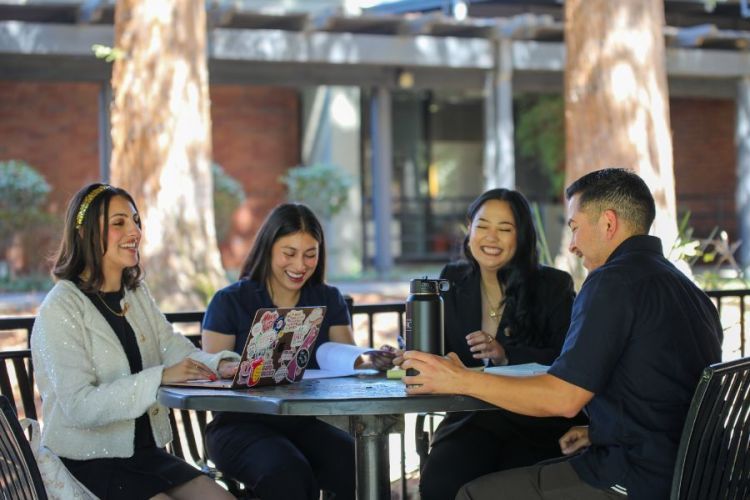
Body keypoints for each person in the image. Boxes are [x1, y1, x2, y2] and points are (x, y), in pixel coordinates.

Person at [401, 168, 723, 500]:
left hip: (634, 478)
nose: (572, 245)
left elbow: (563, 399)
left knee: (469, 494)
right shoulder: (687, 288)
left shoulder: (611, 283)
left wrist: (459, 379)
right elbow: (660, 390)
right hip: (696, 475)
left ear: (608, 224)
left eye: (575, 228)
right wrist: (597, 431)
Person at [31, 183, 239, 500]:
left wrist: (221, 365)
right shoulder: (61, 307)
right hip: (87, 462)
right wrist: (159, 378)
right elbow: (79, 406)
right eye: (119, 223)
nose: (135, 231)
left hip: (142, 456)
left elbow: (171, 347)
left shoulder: (135, 294)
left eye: (135, 221)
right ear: (86, 233)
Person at [201, 202, 391, 500]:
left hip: (303, 421)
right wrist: (235, 369)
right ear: (268, 249)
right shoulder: (230, 301)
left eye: (310, 254)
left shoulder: (327, 298)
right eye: (289, 254)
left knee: (360, 464)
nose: (300, 265)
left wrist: (369, 359)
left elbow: (347, 358)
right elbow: (209, 374)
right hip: (238, 425)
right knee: (286, 472)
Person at [409, 188, 586, 500]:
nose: (491, 238)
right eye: (482, 226)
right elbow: (440, 352)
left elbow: (567, 359)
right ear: (470, 230)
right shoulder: (452, 278)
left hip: (534, 425)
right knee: (441, 482)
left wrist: (507, 356)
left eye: (504, 229)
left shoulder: (553, 286)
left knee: (509, 487)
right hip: (471, 420)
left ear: (522, 237)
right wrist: (408, 353)